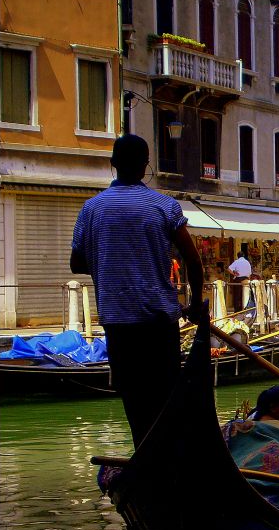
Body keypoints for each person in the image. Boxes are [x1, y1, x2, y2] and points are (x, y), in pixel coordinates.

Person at [70, 133, 203, 447]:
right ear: (146, 166)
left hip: (119, 324)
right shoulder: (164, 207)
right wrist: (195, 304)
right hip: (159, 323)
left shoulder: (92, 210)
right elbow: (193, 262)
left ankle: (145, 455)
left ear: (112, 164)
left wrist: (111, 262)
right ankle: (165, 459)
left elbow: (77, 263)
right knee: (164, 398)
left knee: (134, 400)